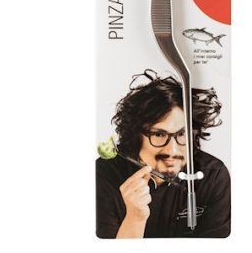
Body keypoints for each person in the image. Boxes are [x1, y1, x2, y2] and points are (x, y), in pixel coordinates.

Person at [96, 70, 230, 238]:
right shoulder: (102, 176)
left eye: (182, 134)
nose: (172, 150)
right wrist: (135, 217)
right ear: (135, 136)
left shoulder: (213, 175)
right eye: (159, 134)